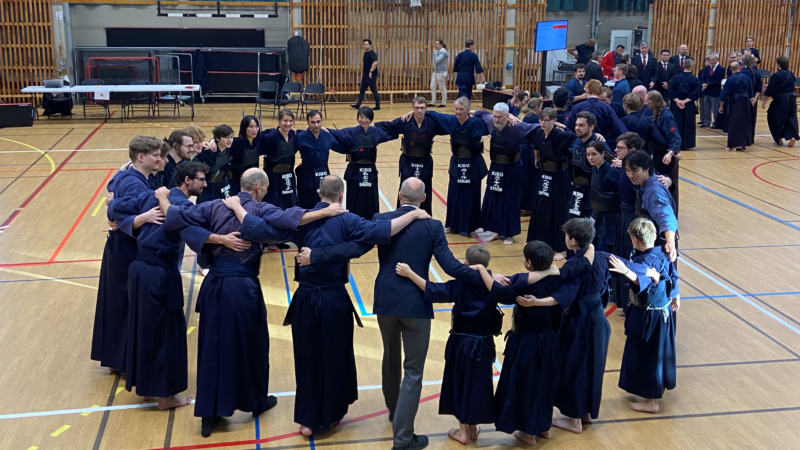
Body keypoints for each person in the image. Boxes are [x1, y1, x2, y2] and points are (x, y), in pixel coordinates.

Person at [232, 175, 430, 438]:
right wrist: (413, 215)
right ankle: (330, 416)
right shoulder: (348, 220)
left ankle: (308, 419)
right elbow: (380, 234)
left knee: (307, 358)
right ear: (341, 196)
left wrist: (236, 208)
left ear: (318, 192)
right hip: (334, 299)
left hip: (304, 299)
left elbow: (260, 228)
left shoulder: (299, 217)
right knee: (335, 357)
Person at [163, 168, 344, 437]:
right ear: (258, 188)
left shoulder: (213, 206)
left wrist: (210, 236)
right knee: (252, 345)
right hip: (244, 287)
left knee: (213, 347)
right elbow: (290, 220)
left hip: (214, 286)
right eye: (267, 187)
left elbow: (177, 218)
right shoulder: (260, 209)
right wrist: (324, 212)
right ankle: (255, 402)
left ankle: (210, 414)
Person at [375, 178, 490, 450]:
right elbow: (450, 267)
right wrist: (481, 274)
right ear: (424, 198)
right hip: (415, 304)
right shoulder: (432, 225)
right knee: (413, 371)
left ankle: (395, 412)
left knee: (390, 358)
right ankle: (402, 439)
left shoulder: (381, 218)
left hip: (385, 302)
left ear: (400, 196)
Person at [109, 161, 232, 410]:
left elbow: (114, 207)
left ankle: (147, 388)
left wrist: (131, 221)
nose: (205, 184)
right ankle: (166, 396)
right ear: (187, 181)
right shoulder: (181, 205)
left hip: (138, 270)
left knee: (145, 330)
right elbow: (194, 230)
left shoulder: (152, 195)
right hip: (160, 273)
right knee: (167, 333)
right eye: (201, 179)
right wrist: (222, 239)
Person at [395, 245, 499, 445]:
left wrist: (409, 274)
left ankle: (461, 432)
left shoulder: (459, 285)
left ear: (465, 263)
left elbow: (431, 289)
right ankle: (472, 428)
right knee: (479, 383)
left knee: (459, 382)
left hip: (461, 344)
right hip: (485, 344)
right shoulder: (494, 285)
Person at [516, 218, 611, 434]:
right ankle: (586, 412)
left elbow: (563, 296)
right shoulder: (601, 256)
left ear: (573, 241)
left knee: (573, 367)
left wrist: (536, 301)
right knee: (592, 368)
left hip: (581, 322)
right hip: (599, 320)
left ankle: (575, 419)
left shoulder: (573, 266)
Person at [92, 136, 165, 375]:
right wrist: (141, 219)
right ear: (141, 157)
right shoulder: (135, 184)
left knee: (116, 304)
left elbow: (113, 202)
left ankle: (115, 358)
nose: (159, 158)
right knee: (126, 304)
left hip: (117, 249)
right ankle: (124, 360)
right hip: (126, 250)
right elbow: (119, 218)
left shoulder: (125, 174)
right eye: (155, 154)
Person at [484, 241, 563, 446]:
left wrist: (484, 272)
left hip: (526, 343)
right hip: (550, 341)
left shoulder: (521, 285)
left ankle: (528, 432)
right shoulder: (558, 281)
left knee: (523, 385)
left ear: (528, 263)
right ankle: (543, 426)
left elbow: (498, 292)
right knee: (544, 383)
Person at [609, 218, 679, 414]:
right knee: (654, 353)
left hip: (649, 318)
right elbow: (672, 276)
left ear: (634, 239)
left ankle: (651, 401)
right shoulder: (663, 254)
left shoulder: (644, 261)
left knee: (649, 355)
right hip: (662, 314)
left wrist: (626, 271)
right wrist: (676, 295)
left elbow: (644, 280)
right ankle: (649, 392)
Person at [474, 103, 539, 245]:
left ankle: (509, 234)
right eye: (494, 116)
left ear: (506, 116)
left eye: (499, 117)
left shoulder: (515, 127)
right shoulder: (491, 121)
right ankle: (497, 231)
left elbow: (536, 127)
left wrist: (558, 125)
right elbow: (480, 113)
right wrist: (469, 111)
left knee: (510, 202)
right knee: (495, 200)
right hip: (496, 168)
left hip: (511, 170)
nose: (495, 119)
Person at [426, 97, 489, 236]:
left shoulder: (477, 123)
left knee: (472, 195)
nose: (458, 112)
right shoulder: (450, 121)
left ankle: (471, 227)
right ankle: (453, 225)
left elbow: (494, 121)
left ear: (468, 110)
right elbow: (432, 113)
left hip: (473, 164)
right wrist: (412, 113)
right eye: (456, 109)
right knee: (454, 194)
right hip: (457, 163)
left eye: (461, 109)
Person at [377, 97, 447, 214]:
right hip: (407, 162)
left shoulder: (432, 123)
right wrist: (369, 125)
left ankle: (424, 218)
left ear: (426, 108)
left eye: (422, 108)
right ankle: (401, 216)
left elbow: (451, 123)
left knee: (425, 191)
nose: (419, 111)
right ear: (412, 108)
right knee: (405, 191)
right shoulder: (405, 121)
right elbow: (388, 125)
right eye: (416, 108)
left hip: (425, 162)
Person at [528, 108, 579, 261]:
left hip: (559, 177)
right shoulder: (539, 132)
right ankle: (541, 241)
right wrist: (537, 158)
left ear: (554, 120)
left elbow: (574, 136)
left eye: (547, 120)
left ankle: (560, 248)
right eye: (541, 120)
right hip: (544, 176)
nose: (543, 123)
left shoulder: (560, 134)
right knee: (541, 209)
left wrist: (562, 126)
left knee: (559, 212)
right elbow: (536, 145)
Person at [326, 106, 393, 219]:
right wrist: (324, 129)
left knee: (370, 203)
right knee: (354, 202)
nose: (363, 120)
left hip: (370, 173)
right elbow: (335, 133)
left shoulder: (376, 132)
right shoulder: (351, 132)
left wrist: (376, 125)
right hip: (354, 173)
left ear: (371, 119)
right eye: (361, 117)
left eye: (367, 118)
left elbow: (392, 131)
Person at [623, 150, 679, 262]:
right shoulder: (647, 180)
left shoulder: (654, 191)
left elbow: (666, 215)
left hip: (658, 248)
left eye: (634, 170)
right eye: (628, 170)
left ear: (647, 168)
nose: (630, 175)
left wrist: (670, 242)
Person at [295, 110, 347, 209]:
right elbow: (289, 150)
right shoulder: (301, 137)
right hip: (307, 177)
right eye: (313, 122)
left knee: (324, 203)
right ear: (308, 122)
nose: (316, 125)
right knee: (307, 204)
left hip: (323, 174)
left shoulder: (327, 135)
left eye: (318, 122)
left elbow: (341, 147)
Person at [569, 111, 610, 221]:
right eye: (576, 125)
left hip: (592, 195)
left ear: (591, 127)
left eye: (581, 125)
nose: (577, 128)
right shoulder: (576, 142)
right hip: (576, 192)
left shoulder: (600, 145)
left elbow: (611, 165)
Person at [647, 90, 681, 213]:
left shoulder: (666, 116)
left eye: (648, 101)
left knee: (669, 184)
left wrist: (671, 152)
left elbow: (675, 137)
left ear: (654, 101)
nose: (646, 103)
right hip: (658, 155)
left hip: (666, 157)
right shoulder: (657, 113)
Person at [566, 80, 628, 144]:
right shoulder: (607, 108)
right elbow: (620, 129)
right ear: (599, 92)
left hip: (581, 143)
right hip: (600, 145)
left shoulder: (577, 107)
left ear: (587, 91)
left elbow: (568, 128)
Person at [260, 109, 299, 209]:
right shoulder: (271, 137)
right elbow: (256, 144)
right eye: (285, 120)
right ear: (279, 121)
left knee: (291, 206)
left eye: (290, 121)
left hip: (289, 177)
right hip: (273, 179)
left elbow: (309, 131)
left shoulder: (294, 136)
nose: (288, 123)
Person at [587, 142, 620, 252]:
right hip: (596, 217)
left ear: (603, 154)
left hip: (611, 221)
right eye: (588, 155)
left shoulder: (613, 171)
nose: (590, 158)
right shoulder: (594, 169)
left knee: (603, 253)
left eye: (594, 154)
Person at [762, 56, 800, 147]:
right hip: (792, 99)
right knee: (790, 118)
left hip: (781, 100)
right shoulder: (791, 74)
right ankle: (792, 136)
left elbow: (771, 89)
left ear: (778, 65)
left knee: (774, 118)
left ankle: (778, 139)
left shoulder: (776, 75)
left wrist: (764, 100)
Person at [719, 61, 754, 151]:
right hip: (745, 102)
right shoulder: (747, 78)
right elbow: (751, 93)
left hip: (735, 103)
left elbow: (724, 94)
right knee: (745, 122)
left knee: (733, 123)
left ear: (730, 69)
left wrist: (721, 106)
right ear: (740, 67)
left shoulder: (730, 79)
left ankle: (733, 146)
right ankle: (743, 144)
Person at [669, 58, 701, 150]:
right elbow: (696, 92)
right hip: (688, 104)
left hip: (676, 104)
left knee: (676, 123)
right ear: (691, 66)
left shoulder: (676, 77)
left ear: (683, 66)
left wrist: (677, 101)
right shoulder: (694, 79)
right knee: (688, 124)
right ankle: (687, 144)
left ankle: (676, 143)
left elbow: (671, 89)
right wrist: (684, 101)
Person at [195, 124, 232, 203]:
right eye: (226, 137)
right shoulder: (207, 151)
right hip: (208, 189)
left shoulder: (228, 148)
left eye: (231, 137)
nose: (230, 140)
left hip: (223, 186)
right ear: (218, 138)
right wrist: (211, 141)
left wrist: (212, 140)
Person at [229, 115, 262, 195]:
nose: (254, 130)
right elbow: (220, 142)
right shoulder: (235, 142)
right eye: (251, 127)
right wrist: (212, 141)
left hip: (252, 184)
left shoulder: (257, 142)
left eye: (256, 126)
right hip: (236, 185)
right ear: (244, 128)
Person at [352, 39, 380, 110]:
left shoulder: (372, 53)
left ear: (370, 45)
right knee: (362, 90)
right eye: (364, 44)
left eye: (366, 44)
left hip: (371, 76)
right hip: (365, 76)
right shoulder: (365, 53)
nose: (364, 46)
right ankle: (358, 105)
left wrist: (371, 71)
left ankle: (377, 106)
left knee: (374, 90)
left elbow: (375, 63)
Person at [741, 55, 763, 146]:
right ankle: (751, 138)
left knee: (744, 118)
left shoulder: (743, 72)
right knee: (752, 118)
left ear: (743, 62)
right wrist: (755, 98)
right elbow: (759, 87)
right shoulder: (756, 72)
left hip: (746, 98)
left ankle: (745, 139)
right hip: (754, 98)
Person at [699, 53, 724, 128]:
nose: (711, 61)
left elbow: (718, 80)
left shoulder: (721, 68)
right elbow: (703, 77)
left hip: (715, 91)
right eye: (710, 60)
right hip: (706, 91)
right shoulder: (707, 68)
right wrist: (703, 83)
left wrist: (707, 84)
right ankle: (706, 122)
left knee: (715, 108)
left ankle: (716, 122)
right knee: (706, 107)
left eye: (713, 60)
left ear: (717, 60)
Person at [431, 38, 449, 108]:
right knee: (432, 86)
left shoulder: (443, 51)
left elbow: (438, 61)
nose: (436, 45)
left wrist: (435, 52)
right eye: (435, 44)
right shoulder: (437, 51)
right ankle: (433, 102)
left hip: (441, 72)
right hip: (435, 71)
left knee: (442, 87)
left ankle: (443, 103)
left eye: (437, 44)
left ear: (441, 44)